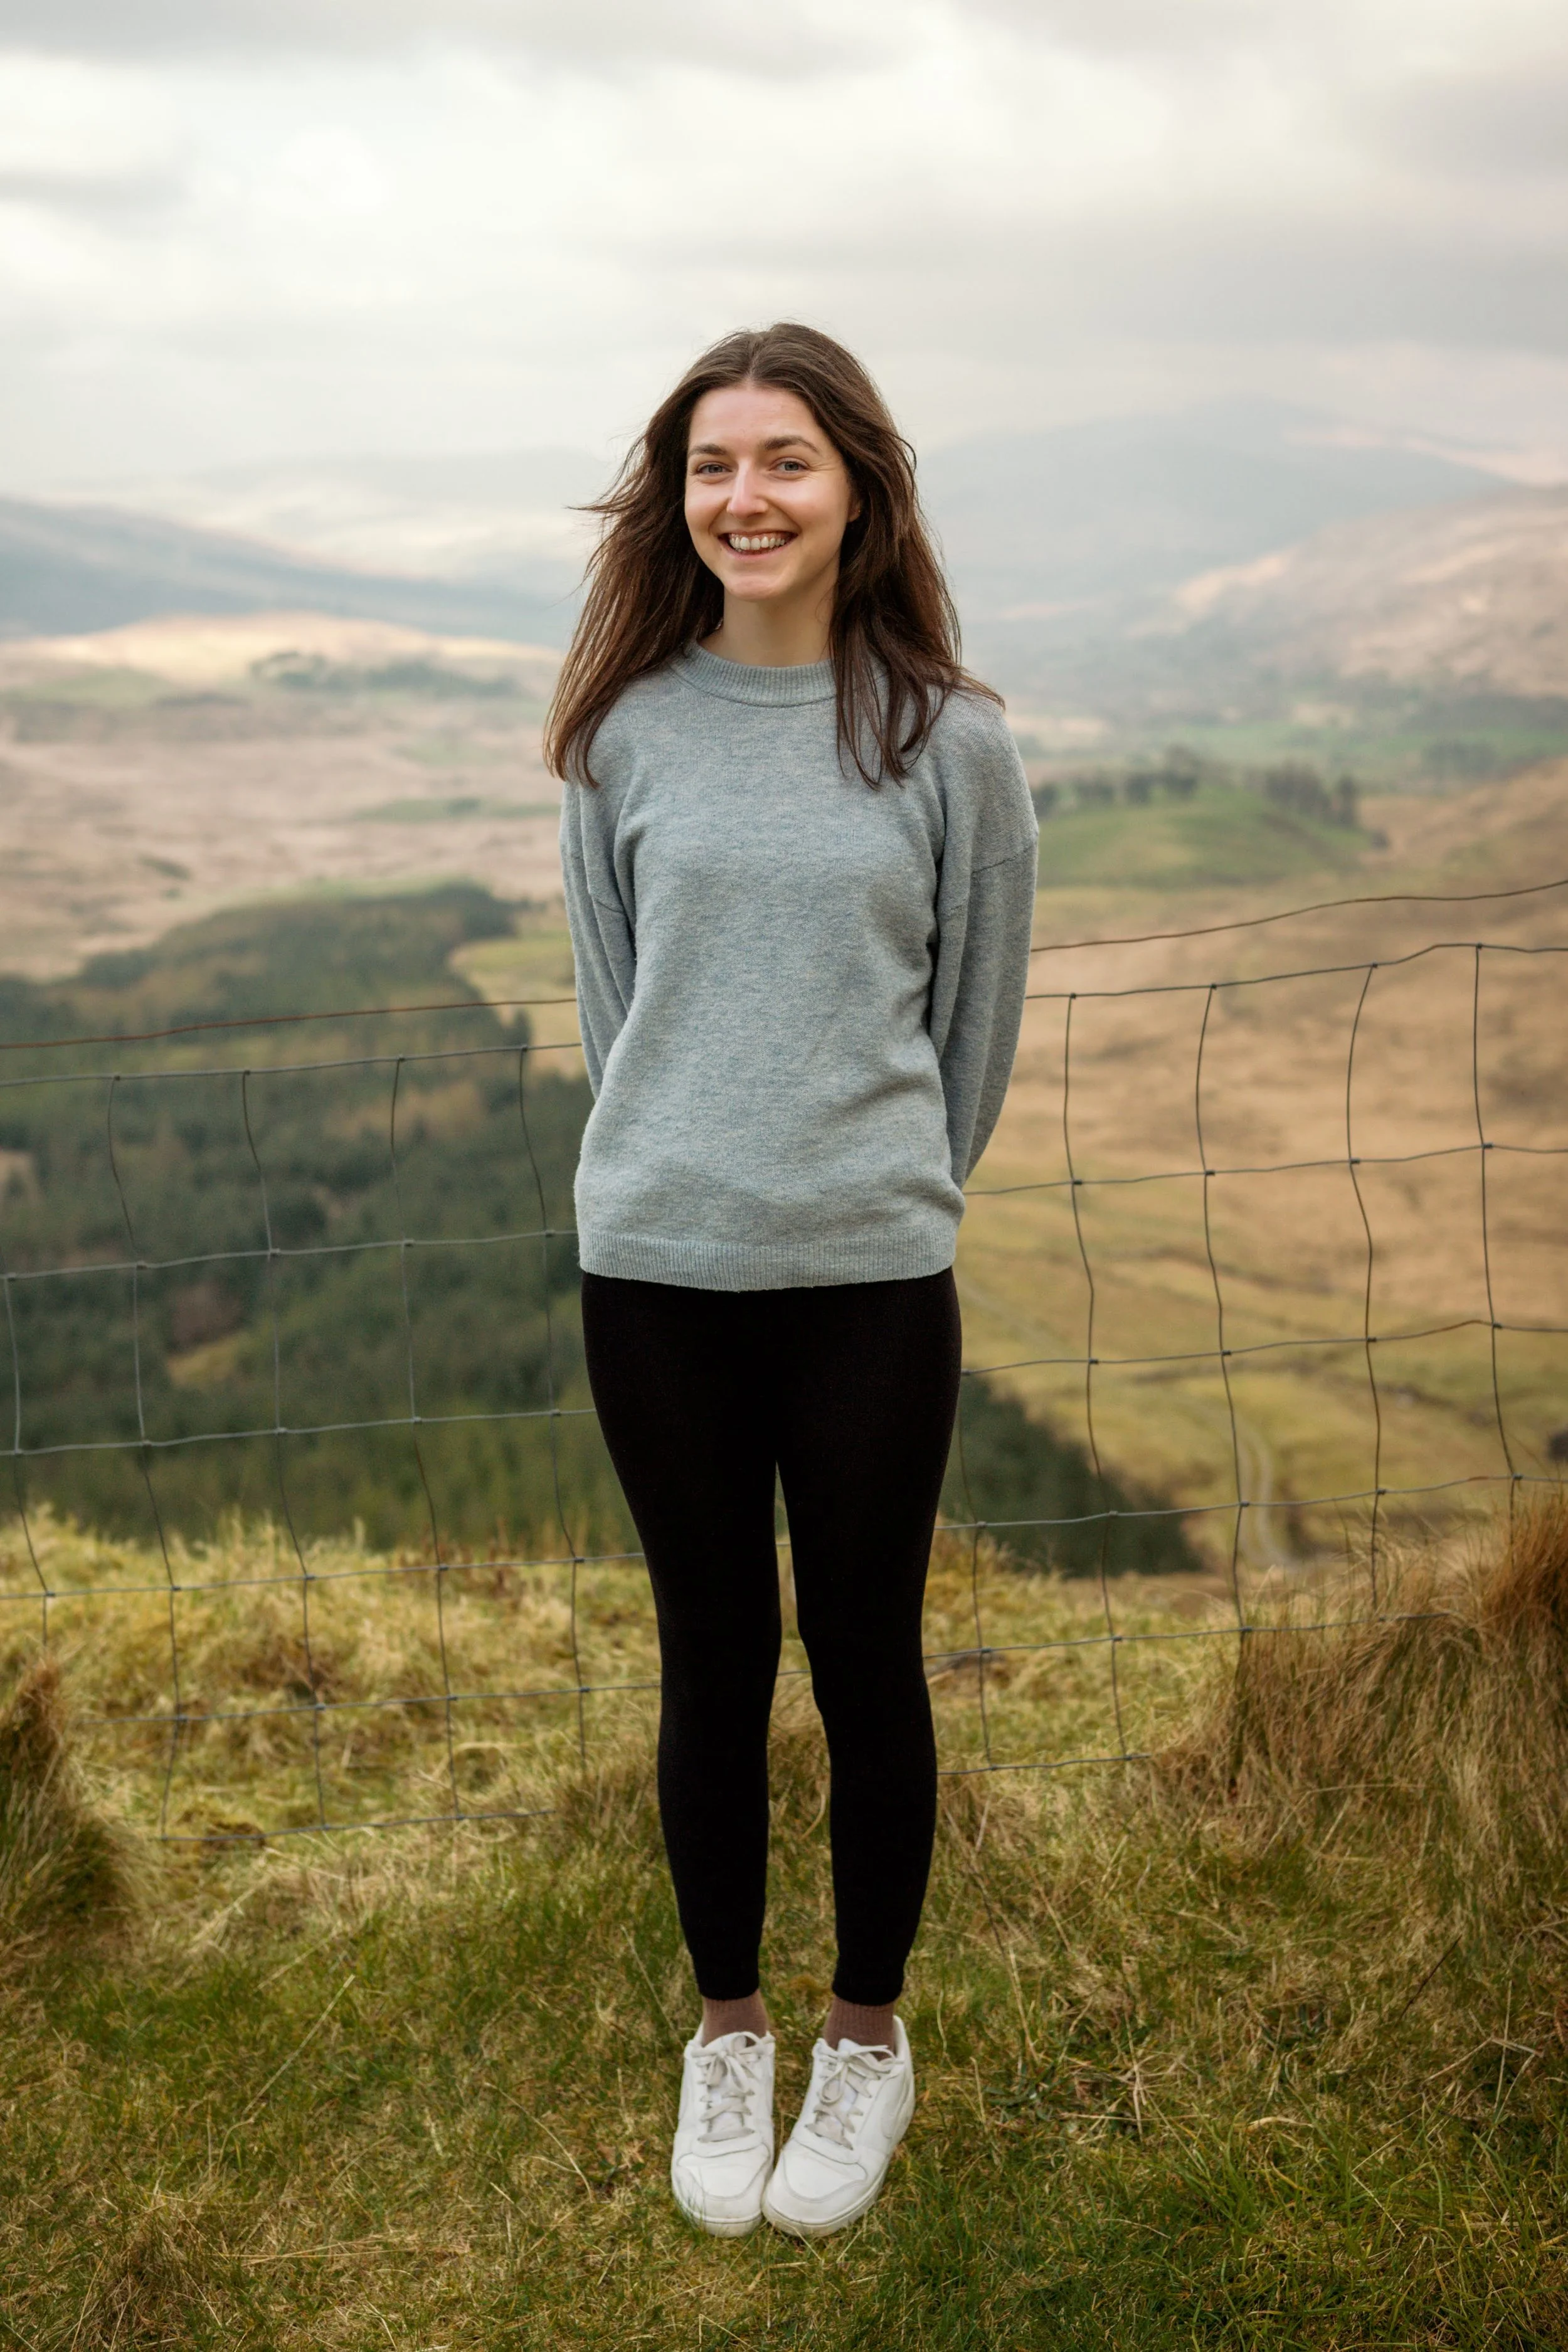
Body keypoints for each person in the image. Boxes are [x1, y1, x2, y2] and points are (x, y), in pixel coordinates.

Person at [546, 322, 1037, 2239]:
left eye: (786, 462)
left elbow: (965, 1029)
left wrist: (865, 1190)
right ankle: (727, 2027)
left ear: (859, 492)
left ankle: (862, 2037)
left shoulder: (946, 740)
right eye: (710, 467)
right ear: (677, 502)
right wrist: (688, 1163)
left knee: (863, 1656)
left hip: (864, 1280)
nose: (743, 498)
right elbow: (620, 1011)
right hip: (654, 1269)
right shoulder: (621, 736)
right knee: (708, 1659)